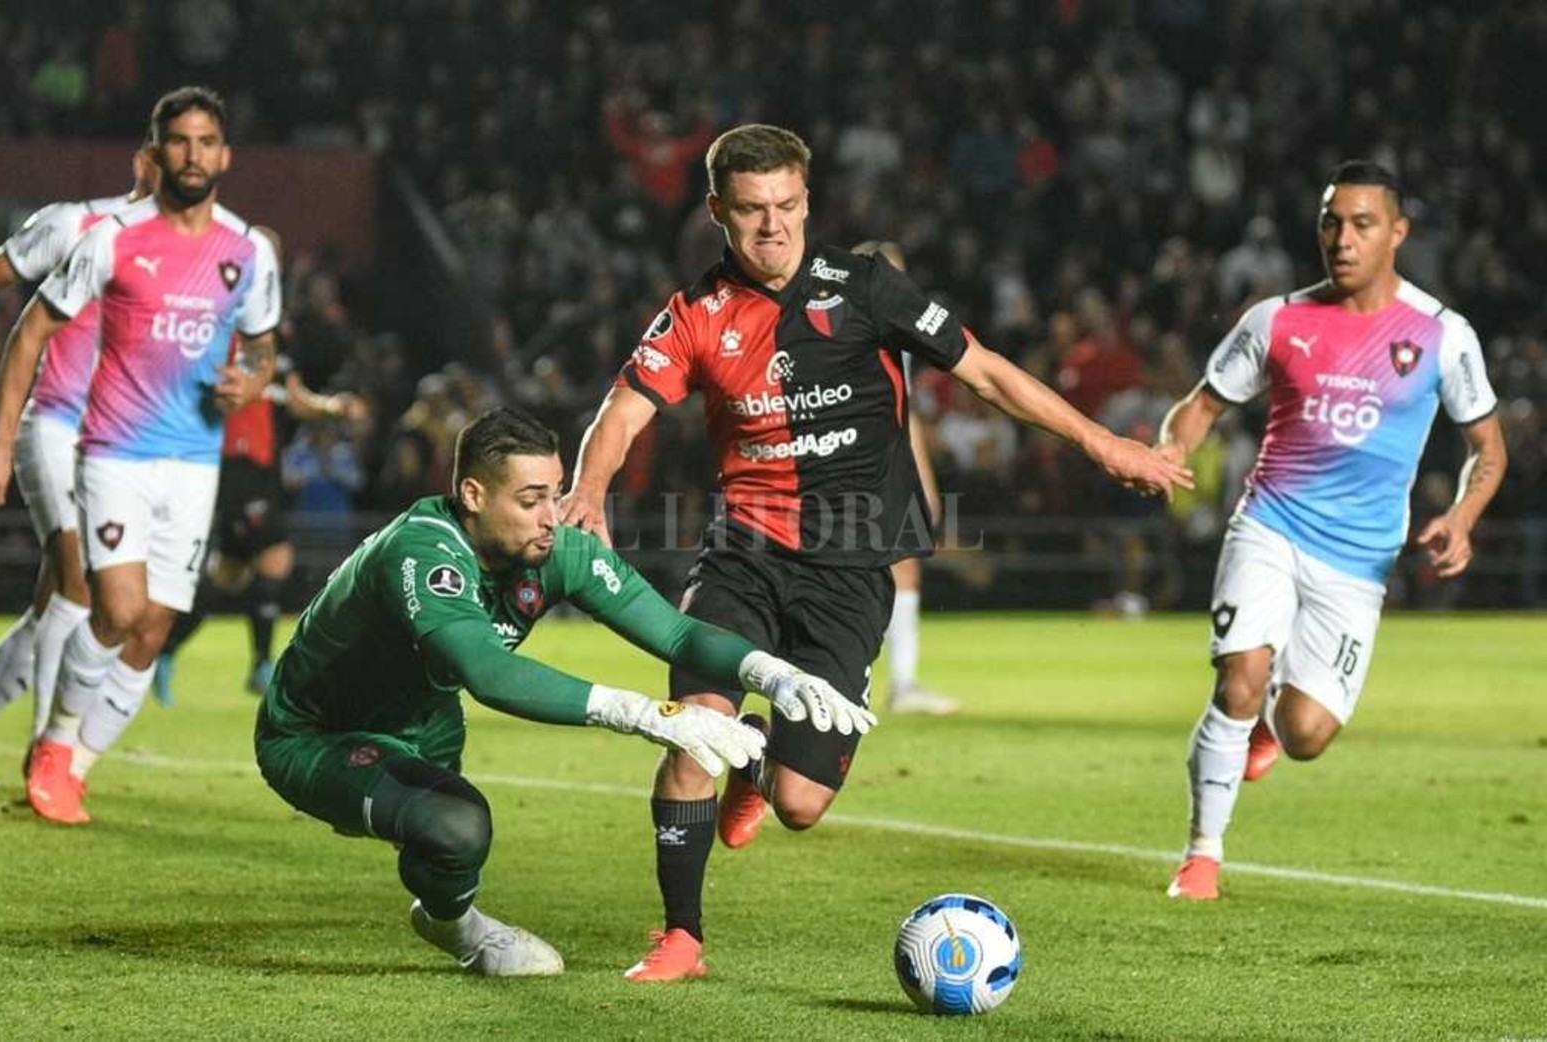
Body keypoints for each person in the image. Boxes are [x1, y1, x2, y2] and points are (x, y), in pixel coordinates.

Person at [559, 123, 1191, 981]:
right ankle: (681, 937)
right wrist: (590, 489)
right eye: (750, 212)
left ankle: (762, 762)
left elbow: (987, 372)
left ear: (808, 201)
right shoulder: (695, 315)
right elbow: (624, 408)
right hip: (742, 552)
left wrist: (1103, 445)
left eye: (785, 206)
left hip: (852, 568)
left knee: (800, 804)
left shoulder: (864, 289)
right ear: (717, 212)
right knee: (693, 733)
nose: (772, 227)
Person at [255, 406, 873, 976]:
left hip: (425, 717)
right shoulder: (423, 551)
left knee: (444, 845)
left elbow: (679, 635)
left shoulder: (554, 548)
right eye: (530, 499)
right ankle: (459, 927)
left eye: (555, 494)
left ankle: (437, 897)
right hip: (315, 733)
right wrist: (646, 714)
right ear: (473, 495)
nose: (553, 515)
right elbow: (488, 674)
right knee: (458, 827)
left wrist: (774, 673)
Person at [1157, 161, 1507, 901]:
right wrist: (1169, 452)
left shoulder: (1443, 336)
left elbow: (1489, 445)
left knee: (1307, 733)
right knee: (1239, 676)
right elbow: (1198, 407)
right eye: (1329, 222)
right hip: (1270, 524)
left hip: (1359, 562)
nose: (1340, 239)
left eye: (1361, 223)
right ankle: (1201, 856)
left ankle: (1268, 729)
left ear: (1397, 233)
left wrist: (1462, 518)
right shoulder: (1275, 320)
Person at [0, 86, 281, 825]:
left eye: (206, 142)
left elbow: (265, 342)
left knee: (149, 624)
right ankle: (52, 742)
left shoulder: (247, 251)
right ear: (153, 151)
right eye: (178, 142)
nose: (191, 156)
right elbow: (23, 321)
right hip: (96, 442)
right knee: (103, 599)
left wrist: (254, 381)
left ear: (225, 155)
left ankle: (71, 763)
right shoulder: (101, 233)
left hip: (193, 463)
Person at [0, 154, 158, 788]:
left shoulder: (177, 259)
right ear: (145, 162)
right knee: (79, 583)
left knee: (51, 605)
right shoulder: (73, 224)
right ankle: (45, 756)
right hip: (53, 426)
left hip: (117, 448)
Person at [154, 351, 367, 705]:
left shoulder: (276, 364)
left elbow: (298, 401)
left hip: (266, 476)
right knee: (275, 558)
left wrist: (333, 406)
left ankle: (164, 652)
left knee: (229, 576)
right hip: (237, 468)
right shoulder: (218, 356)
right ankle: (263, 667)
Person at [851, 240, 956, 716]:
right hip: (853, 464)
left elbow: (904, 407)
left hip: (882, 464)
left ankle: (901, 682)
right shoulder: (853, 328)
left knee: (901, 566)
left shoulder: (896, 330)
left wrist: (923, 479)